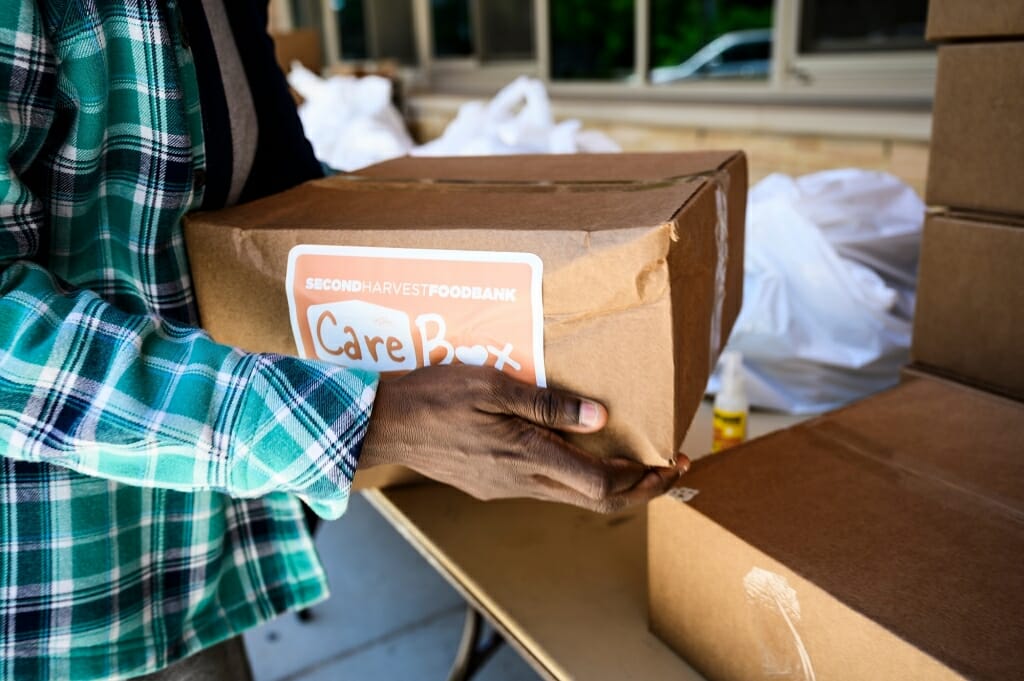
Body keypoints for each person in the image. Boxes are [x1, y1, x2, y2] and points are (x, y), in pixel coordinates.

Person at [0, 1, 690, 679]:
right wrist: (374, 419)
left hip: (186, 548)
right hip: (66, 586)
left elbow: (271, 199)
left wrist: (489, 239)